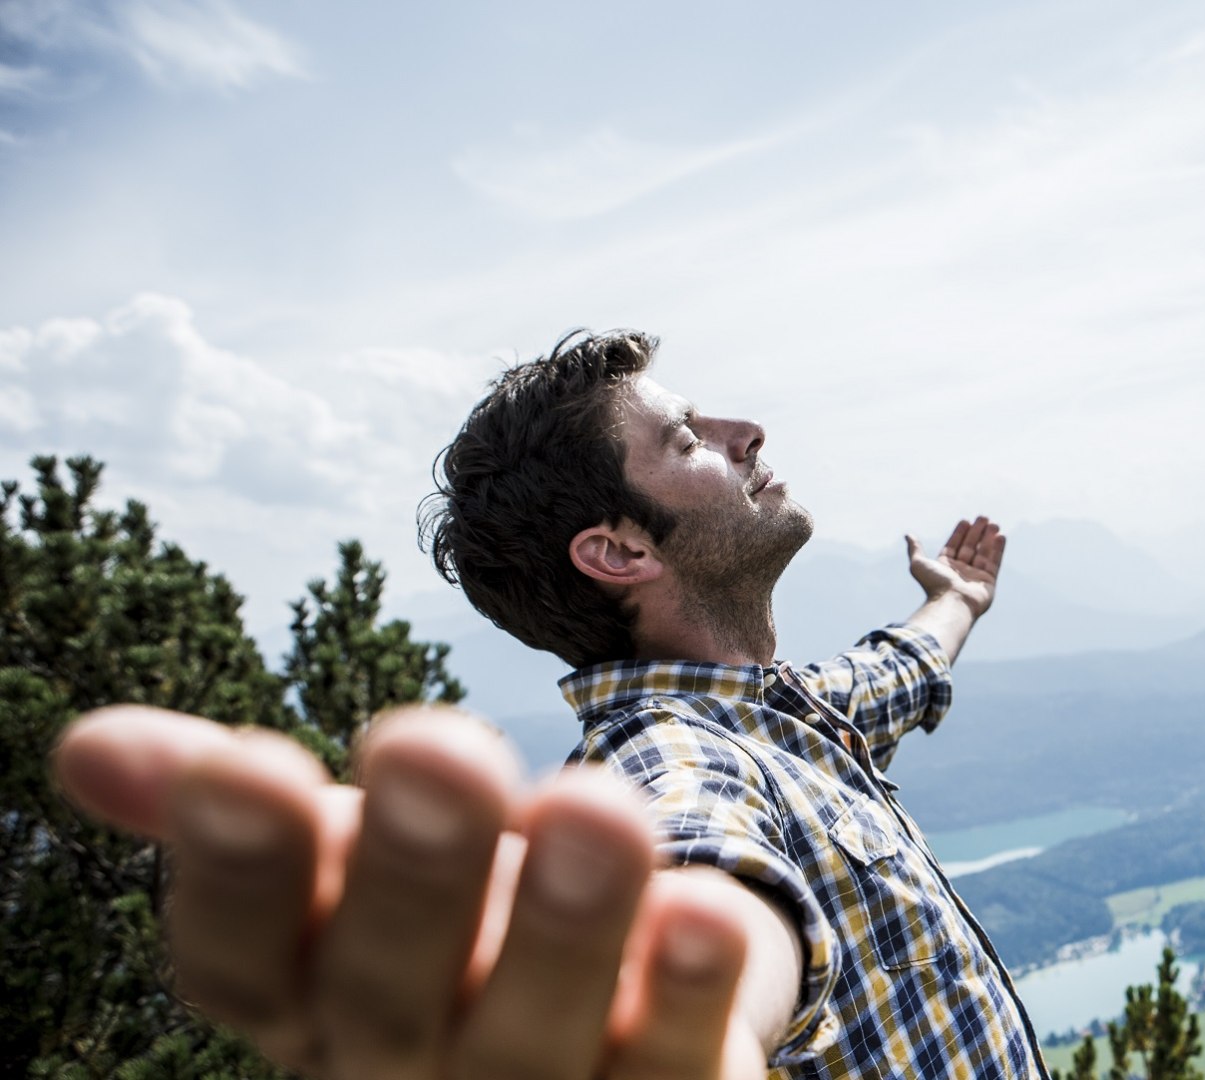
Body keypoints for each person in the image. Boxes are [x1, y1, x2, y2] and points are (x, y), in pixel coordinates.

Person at [53, 330, 1045, 1079]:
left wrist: (953, 601)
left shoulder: (785, 713)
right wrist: (688, 1019)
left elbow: (891, 673)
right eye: (689, 437)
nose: (749, 435)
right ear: (621, 551)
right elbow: (704, 897)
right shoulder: (672, 761)